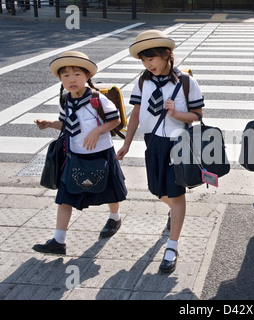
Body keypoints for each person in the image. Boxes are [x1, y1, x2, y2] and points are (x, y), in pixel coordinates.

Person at [116, 30, 204, 272]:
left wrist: (176, 114)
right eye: (144, 60)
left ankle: (172, 246)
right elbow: (136, 113)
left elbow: (198, 115)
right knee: (156, 189)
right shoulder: (143, 82)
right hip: (153, 142)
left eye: (152, 58)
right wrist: (126, 143)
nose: (148, 64)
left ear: (167, 55)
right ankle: (174, 212)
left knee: (176, 196)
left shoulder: (187, 81)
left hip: (178, 144)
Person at [33, 51, 127, 255]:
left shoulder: (97, 99)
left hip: (101, 153)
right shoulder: (65, 100)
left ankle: (115, 217)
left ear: (87, 76)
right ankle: (59, 241)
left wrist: (97, 130)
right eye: (65, 76)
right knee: (65, 196)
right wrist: (49, 124)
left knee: (110, 190)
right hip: (74, 155)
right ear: (61, 80)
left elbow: (115, 120)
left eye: (76, 74)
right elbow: (66, 124)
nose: (71, 79)